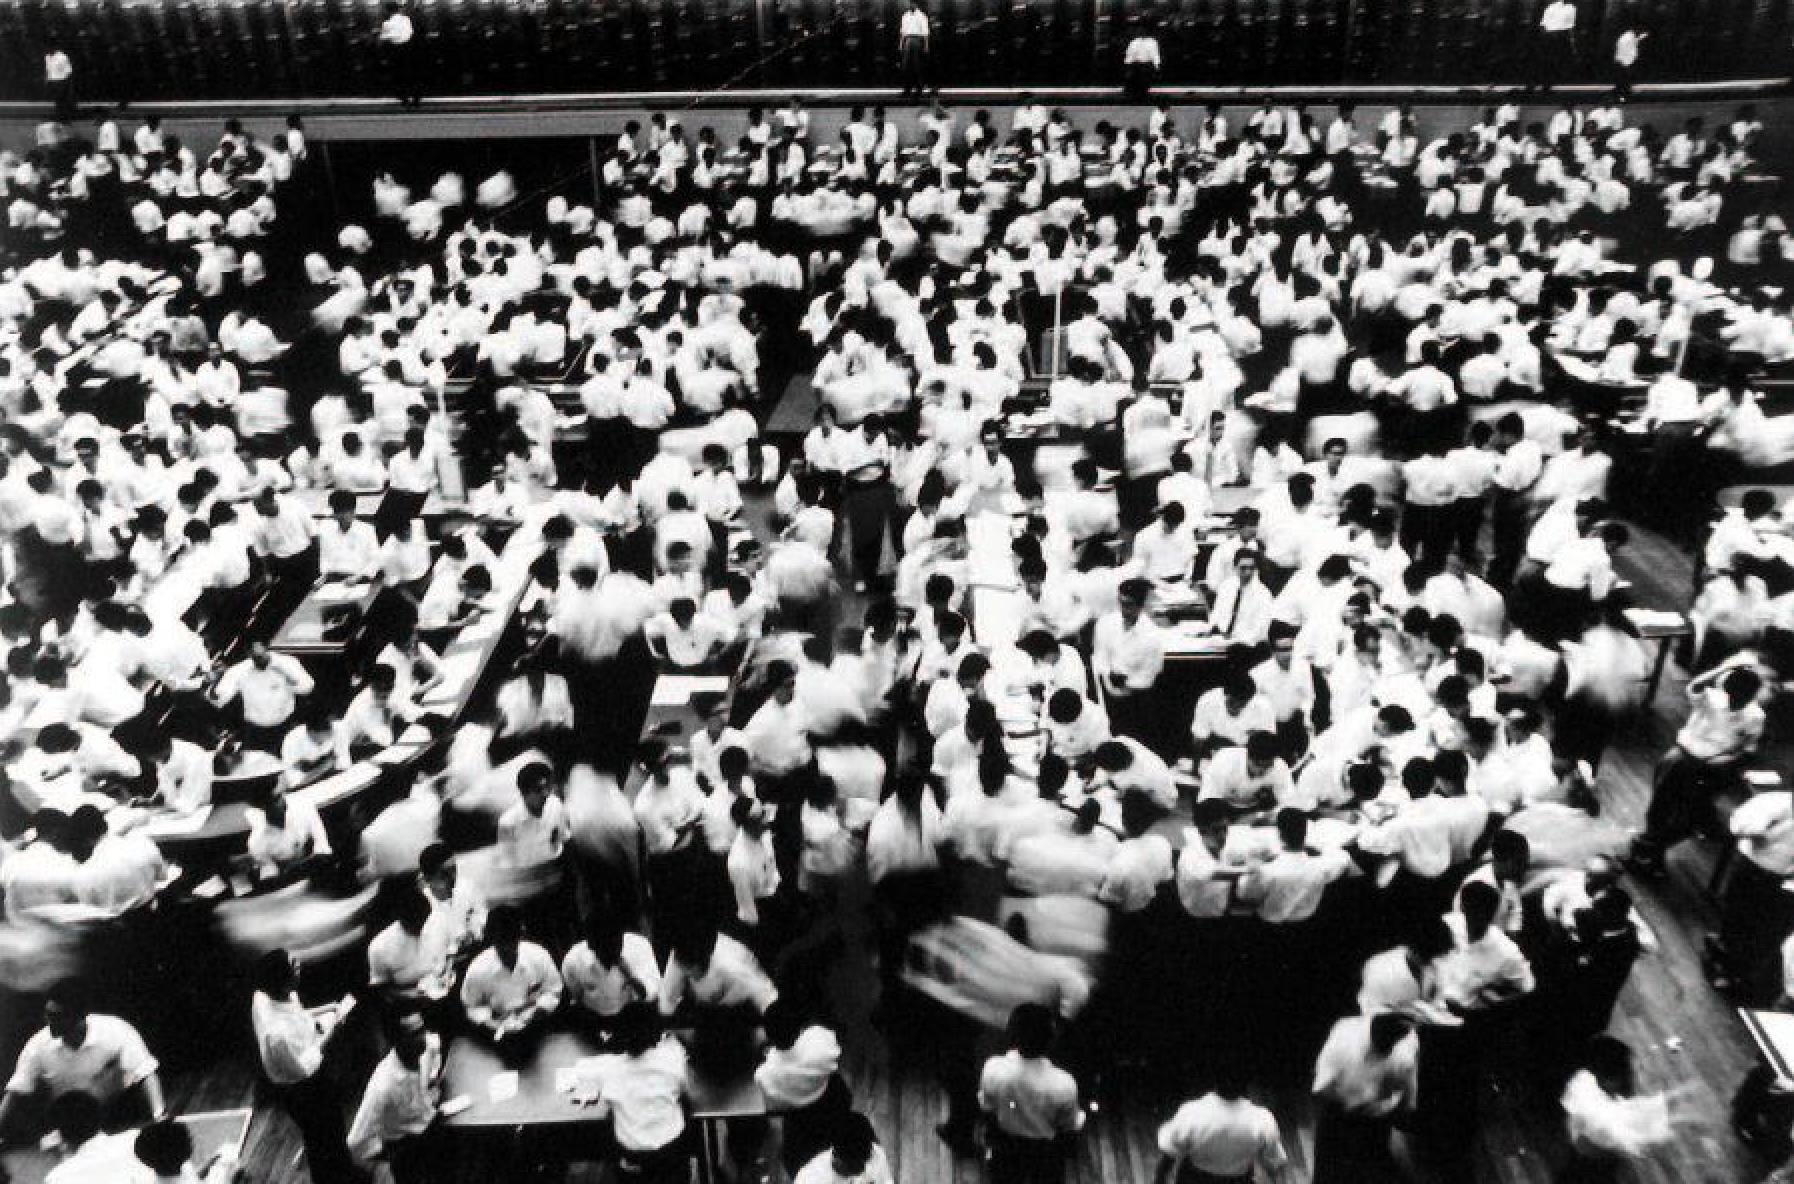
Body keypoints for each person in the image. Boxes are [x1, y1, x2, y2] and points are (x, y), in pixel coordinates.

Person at [1628, 663, 1765, 877]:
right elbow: (1696, 685)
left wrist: (1726, 759)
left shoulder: (1755, 716)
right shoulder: (1710, 698)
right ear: (1728, 690)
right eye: (1735, 695)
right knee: (1660, 807)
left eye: (1745, 697)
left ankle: (1647, 846)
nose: (1738, 701)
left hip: (1714, 769)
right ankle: (1652, 854)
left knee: (1690, 819)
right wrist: (1722, 669)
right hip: (1682, 758)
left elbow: (1748, 750)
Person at [250, 950, 366, 1184]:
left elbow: (300, 1016)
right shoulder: (277, 1035)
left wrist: (328, 1008)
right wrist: (332, 1031)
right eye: (294, 966)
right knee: (322, 1138)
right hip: (302, 1089)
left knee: (331, 1131)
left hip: (308, 1077)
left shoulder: (271, 995)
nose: (299, 965)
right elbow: (304, 1067)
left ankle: (344, 1171)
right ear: (283, 983)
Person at [0, 986, 163, 1142]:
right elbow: (15, 1091)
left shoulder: (115, 1029)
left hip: (120, 1112)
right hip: (73, 1123)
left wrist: (159, 1114)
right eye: (48, 1015)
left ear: (80, 1016)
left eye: (57, 1016)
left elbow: (145, 1072)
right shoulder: (37, 1045)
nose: (49, 1022)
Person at [978, 1003, 1085, 1184]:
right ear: (1051, 1040)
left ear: (1012, 1035)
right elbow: (1069, 1125)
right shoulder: (1064, 1084)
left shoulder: (993, 1068)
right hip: (1044, 1152)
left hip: (1005, 1145)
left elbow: (987, 1107)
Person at [1310, 1013, 1417, 1183]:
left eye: (1390, 1047)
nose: (1386, 1052)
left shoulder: (1406, 1044)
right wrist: (1353, 1103)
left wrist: (1394, 1106)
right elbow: (1321, 1087)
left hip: (1377, 1121)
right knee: (1329, 1173)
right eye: (1380, 1047)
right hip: (1339, 1114)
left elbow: (1407, 1091)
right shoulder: (1344, 1038)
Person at [593, 1003, 693, 1184]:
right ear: (656, 1033)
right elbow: (683, 1090)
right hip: (671, 1152)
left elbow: (608, 1102)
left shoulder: (608, 1070)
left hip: (633, 1156)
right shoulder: (672, 1060)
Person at [347, 1010, 444, 1184]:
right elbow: (356, 1142)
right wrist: (388, 1154)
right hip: (405, 1148)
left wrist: (430, 1084)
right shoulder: (383, 1087)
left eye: (421, 1029)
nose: (421, 1037)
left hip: (430, 1128)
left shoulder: (428, 1045)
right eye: (412, 1034)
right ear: (395, 1040)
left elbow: (434, 1050)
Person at [1154, 1066, 1291, 1183]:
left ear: (1214, 1080)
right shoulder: (1262, 1119)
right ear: (1247, 1083)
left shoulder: (1192, 1112)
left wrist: (1159, 1180)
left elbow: (1168, 1156)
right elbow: (1275, 1163)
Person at [459, 905, 564, 1053]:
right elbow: (472, 1006)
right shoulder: (478, 969)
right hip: (499, 1032)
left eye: (512, 941)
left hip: (540, 1026)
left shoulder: (539, 955)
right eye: (501, 942)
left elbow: (553, 991)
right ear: (492, 939)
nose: (507, 948)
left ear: (520, 935)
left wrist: (538, 1012)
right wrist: (493, 1024)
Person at [794, 1111, 895, 1184]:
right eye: (855, 1165)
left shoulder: (876, 1154)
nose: (862, 1170)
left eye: (865, 1161)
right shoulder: (809, 1179)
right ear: (836, 1156)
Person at [898, 0, 931, 98]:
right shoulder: (905, 15)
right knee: (905, 66)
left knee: (917, 66)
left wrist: (926, 45)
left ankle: (919, 89)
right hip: (908, 40)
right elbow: (903, 31)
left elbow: (925, 32)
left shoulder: (921, 16)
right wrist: (901, 44)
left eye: (912, 3)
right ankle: (907, 89)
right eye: (909, 3)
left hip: (917, 39)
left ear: (916, 4)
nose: (910, 5)